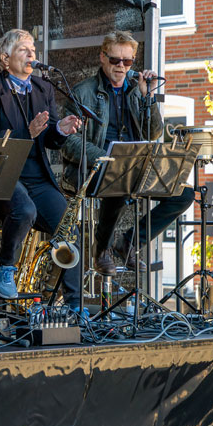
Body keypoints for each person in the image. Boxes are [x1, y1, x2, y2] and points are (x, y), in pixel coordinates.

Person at [62, 30, 195, 275]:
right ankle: (102, 250)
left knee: (184, 194)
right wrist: (105, 159)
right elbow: (69, 142)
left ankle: (131, 242)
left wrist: (149, 96)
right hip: (94, 168)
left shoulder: (137, 91)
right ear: (102, 57)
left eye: (128, 61)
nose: (121, 66)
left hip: (136, 167)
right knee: (119, 180)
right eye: (115, 60)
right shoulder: (82, 93)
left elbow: (154, 132)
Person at [0, 29, 83, 308]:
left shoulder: (43, 88)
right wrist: (26, 133)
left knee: (69, 230)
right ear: (5, 58)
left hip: (36, 175)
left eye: (33, 48)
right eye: (23, 48)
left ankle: (74, 305)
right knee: (25, 210)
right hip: (3, 172)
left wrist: (61, 129)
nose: (32, 53)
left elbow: (50, 139)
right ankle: (6, 266)